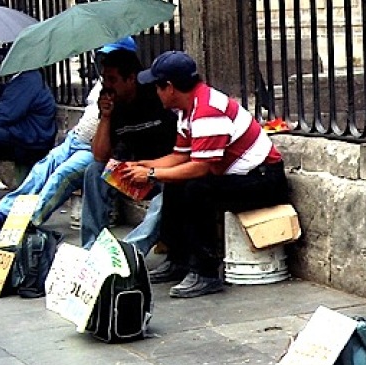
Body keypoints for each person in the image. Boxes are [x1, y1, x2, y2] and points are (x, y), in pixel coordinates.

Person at [120, 51, 289, 299]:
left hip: (264, 181)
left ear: (169, 87)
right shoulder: (187, 110)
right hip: (242, 177)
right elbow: (180, 157)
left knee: (197, 189)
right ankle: (178, 259)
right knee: (176, 183)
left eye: (157, 86)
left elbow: (200, 167)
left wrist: (153, 174)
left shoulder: (208, 110)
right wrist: (143, 166)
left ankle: (205, 272)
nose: (155, 92)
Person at [0, 39, 142, 227]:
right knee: (43, 168)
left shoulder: (125, 87)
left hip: (92, 148)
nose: (105, 60)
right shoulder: (103, 81)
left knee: (62, 175)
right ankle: (4, 210)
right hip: (75, 139)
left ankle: (27, 221)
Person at [79, 43, 177, 252]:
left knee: (169, 194)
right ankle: (91, 246)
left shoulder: (156, 95)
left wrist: (153, 171)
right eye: (104, 78)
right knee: (93, 172)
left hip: (165, 171)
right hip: (134, 173)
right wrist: (105, 117)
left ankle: (130, 252)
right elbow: (99, 157)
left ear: (130, 78)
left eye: (112, 79)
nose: (107, 85)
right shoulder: (113, 105)